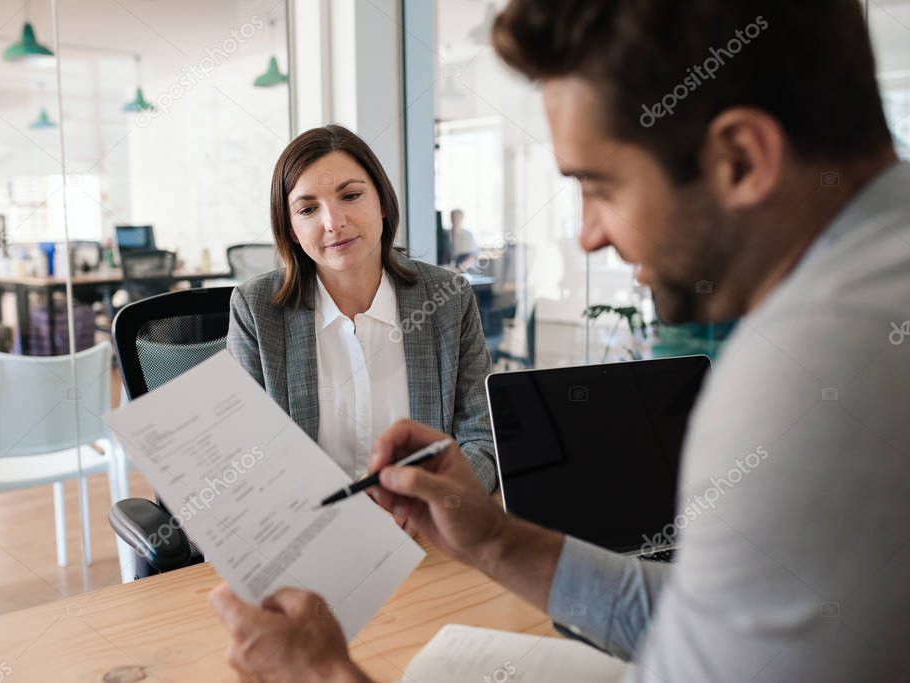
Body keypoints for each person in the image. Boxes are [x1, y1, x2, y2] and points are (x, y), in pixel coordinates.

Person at [210, 1, 910, 680]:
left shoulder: (808, 374)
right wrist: (493, 538)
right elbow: (705, 621)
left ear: (741, 158)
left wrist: (323, 673)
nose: (587, 232)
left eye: (597, 185)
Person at [227, 125, 496, 493]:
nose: (333, 223)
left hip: (424, 531)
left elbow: (482, 441)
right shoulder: (255, 310)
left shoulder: (448, 298)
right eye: (307, 209)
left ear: (382, 203)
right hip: (313, 535)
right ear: (290, 229)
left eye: (351, 196)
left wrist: (430, 499)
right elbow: (247, 458)